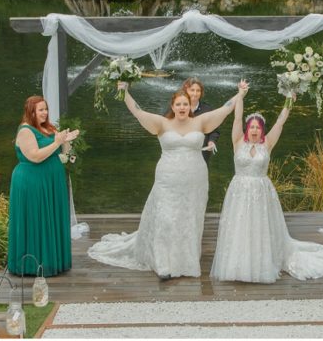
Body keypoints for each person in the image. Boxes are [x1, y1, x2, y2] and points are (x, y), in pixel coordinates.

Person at [88, 82, 243, 279]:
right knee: (166, 219)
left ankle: (187, 262)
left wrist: (240, 94)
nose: (182, 108)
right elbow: (138, 112)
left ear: (190, 106)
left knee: (190, 219)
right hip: (167, 179)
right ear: (172, 106)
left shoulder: (200, 122)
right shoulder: (162, 123)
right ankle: (163, 264)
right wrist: (124, 92)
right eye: (178, 104)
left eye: (185, 104)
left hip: (195, 179)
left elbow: (226, 109)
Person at [212, 91, 323, 283]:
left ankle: (260, 264)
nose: (254, 130)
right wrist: (240, 95)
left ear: (262, 130)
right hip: (239, 192)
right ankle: (238, 265)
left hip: (261, 192)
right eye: (251, 127)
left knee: (259, 227)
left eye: (258, 128)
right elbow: (236, 117)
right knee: (239, 226)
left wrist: (289, 101)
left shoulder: (267, 143)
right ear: (246, 129)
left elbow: (280, 122)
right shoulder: (237, 142)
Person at [8, 96, 79, 276]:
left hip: (51, 182)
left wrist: (66, 140)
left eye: (46, 109)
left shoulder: (48, 128)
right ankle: (32, 264)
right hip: (32, 181)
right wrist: (56, 141)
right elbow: (35, 156)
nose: (45, 112)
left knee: (51, 217)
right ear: (31, 112)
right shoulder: (25, 131)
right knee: (36, 218)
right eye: (40, 110)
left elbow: (65, 153)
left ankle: (54, 260)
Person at [181, 77, 222, 164]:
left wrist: (211, 141)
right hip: (181, 153)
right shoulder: (178, 107)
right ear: (186, 90)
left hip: (201, 154)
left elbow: (215, 130)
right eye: (192, 90)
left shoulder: (207, 109)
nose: (195, 94)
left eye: (198, 90)